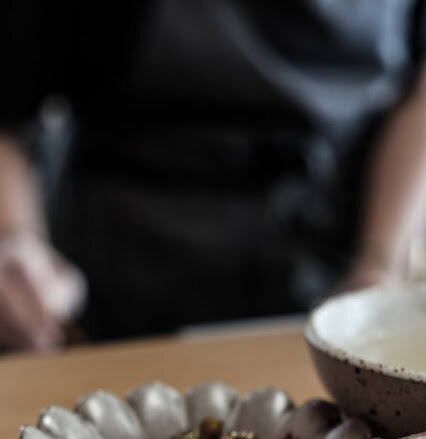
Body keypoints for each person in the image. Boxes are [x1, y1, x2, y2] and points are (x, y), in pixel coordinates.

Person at [0, 1, 425, 350]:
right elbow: (9, 115)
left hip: (328, 260)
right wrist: (15, 238)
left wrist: (379, 265)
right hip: (122, 272)